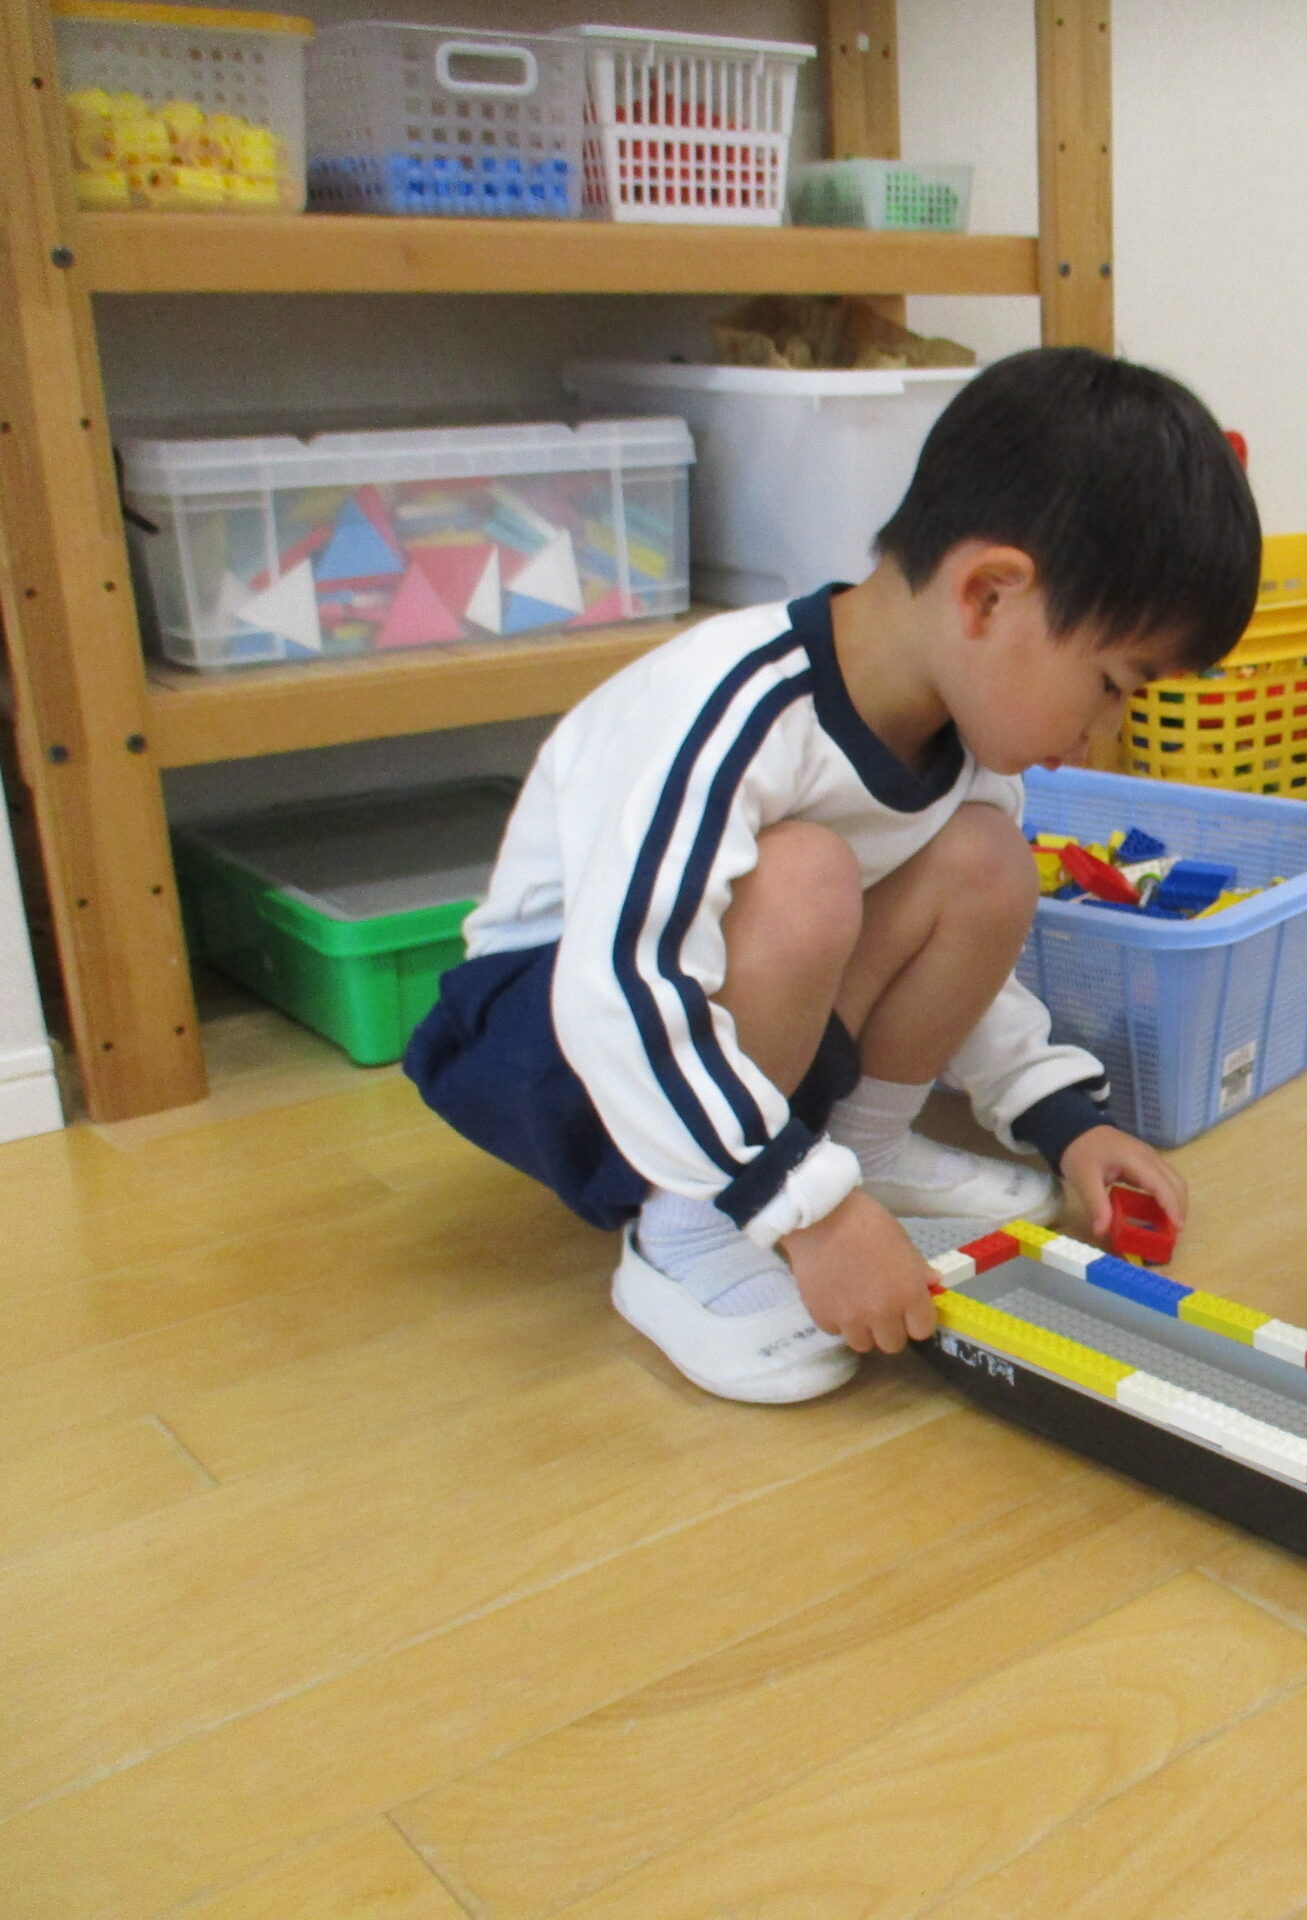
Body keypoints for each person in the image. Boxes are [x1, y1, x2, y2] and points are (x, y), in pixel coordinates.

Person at [407, 347, 1260, 1406]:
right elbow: (622, 981)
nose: (1107, 729)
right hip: (562, 1049)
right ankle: (685, 1233)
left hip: (712, 1033)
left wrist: (1061, 1118)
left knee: (984, 861)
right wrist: (800, 1211)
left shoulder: (967, 748)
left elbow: (974, 971)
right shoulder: (732, 704)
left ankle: (860, 1155)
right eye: (1113, 684)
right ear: (989, 595)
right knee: (807, 875)